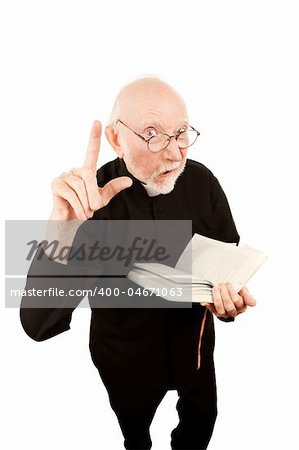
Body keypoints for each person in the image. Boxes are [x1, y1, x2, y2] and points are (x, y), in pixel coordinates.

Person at [20, 76, 256, 450]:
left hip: (193, 353)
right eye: (153, 133)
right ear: (116, 139)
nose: (176, 153)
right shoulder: (88, 203)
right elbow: (38, 325)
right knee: (135, 436)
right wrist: (60, 235)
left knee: (201, 423)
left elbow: (226, 262)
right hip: (124, 363)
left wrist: (226, 303)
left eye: (181, 133)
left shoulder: (202, 182)